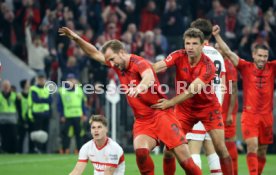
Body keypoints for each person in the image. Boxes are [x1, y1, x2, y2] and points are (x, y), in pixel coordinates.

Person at [59, 26, 201, 175]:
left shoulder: (139, 62)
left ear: (121, 53)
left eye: (112, 59)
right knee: (140, 152)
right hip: (142, 120)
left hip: (161, 114)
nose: (111, 64)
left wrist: (139, 88)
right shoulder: (118, 64)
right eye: (109, 61)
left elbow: (149, 77)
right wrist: (76, 38)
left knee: (186, 163)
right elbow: (93, 53)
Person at [152, 28, 233, 175]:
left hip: (208, 108)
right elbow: (159, 66)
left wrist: (170, 103)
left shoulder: (209, 66)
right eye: (187, 43)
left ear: (203, 45)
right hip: (185, 110)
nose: (190, 47)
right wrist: (142, 71)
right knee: (168, 150)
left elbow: (191, 91)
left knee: (220, 148)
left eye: (194, 43)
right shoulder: (178, 55)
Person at [213, 25, 276, 175]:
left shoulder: (272, 68)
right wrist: (217, 36)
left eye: (264, 56)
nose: (262, 59)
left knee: (262, 151)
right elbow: (228, 52)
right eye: (259, 55)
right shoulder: (245, 67)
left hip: (267, 116)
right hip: (250, 115)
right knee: (252, 145)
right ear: (253, 55)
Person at [184, 18, 225, 175]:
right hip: (215, 107)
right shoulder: (218, 55)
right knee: (211, 150)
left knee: (193, 148)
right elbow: (223, 84)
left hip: (199, 105)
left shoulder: (196, 54)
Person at [215, 43, 239, 175]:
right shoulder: (216, 63)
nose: (217, 50)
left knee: (228, 141)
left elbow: (233, 90)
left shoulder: (229, 65)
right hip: (217, 109)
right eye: (216, 47)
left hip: (227, 111)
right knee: (219, 144)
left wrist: (230, 113)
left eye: (220, 48)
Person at [57, 73, 87, 154]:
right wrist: (62, 115)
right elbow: (60, 105)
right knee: (66, 134)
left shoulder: (79, 90)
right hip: (67, 115)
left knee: (79, 134)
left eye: (72, 79)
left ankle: (79, 150)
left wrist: (84, 114)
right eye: (69, 80)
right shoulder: (62, 90)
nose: (71, 81)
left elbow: (82, 103)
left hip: (78, 115)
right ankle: (65, 149)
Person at [28, 71, 52, 153]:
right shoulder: (33, 88)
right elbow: (35, 100)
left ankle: (43, 149)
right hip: (37, 113)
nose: (41, 80)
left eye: (42, 78)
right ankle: (36, 148)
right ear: (37, 79)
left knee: (45, 132)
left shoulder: (47, 89)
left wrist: (41, 99)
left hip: (45, 113)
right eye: (40, 78)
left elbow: (50, 100)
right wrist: (44, 100)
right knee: (37, 133)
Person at [0, 80, 19, 153]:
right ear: (2, 86)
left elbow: (18, 107)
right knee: (4, 137)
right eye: (5, 86)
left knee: (13, 136)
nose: (6, 87)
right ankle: (4, 150)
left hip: (12, 119)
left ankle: (13, 151)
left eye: (7, 86)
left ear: (10, 87)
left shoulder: (15, 95)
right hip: (2, 120)